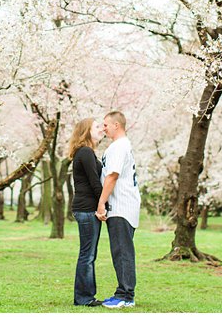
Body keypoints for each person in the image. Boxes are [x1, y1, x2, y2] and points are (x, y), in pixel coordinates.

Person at [96, 110, 140, 309]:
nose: (103, 128)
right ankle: (124, 293)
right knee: (120, 250)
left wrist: (101, 203)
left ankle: (125, 295)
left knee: (122, 251)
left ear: (116, 125)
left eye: (106, 124)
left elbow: (112, 176)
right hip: (123, 206)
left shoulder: (119, 147)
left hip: (121, 206)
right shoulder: (122, 146)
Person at [67, 117, 106, 307]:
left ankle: (85, 296)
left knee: (89, 254)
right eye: (97, 127)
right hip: (87, 209)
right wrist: (103, 205)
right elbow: (94, 182)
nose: (101, 129)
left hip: (86, 208)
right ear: (86, 131)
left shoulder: (86, 152)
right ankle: (84, 298)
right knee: (87, 255)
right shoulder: (85, 152)